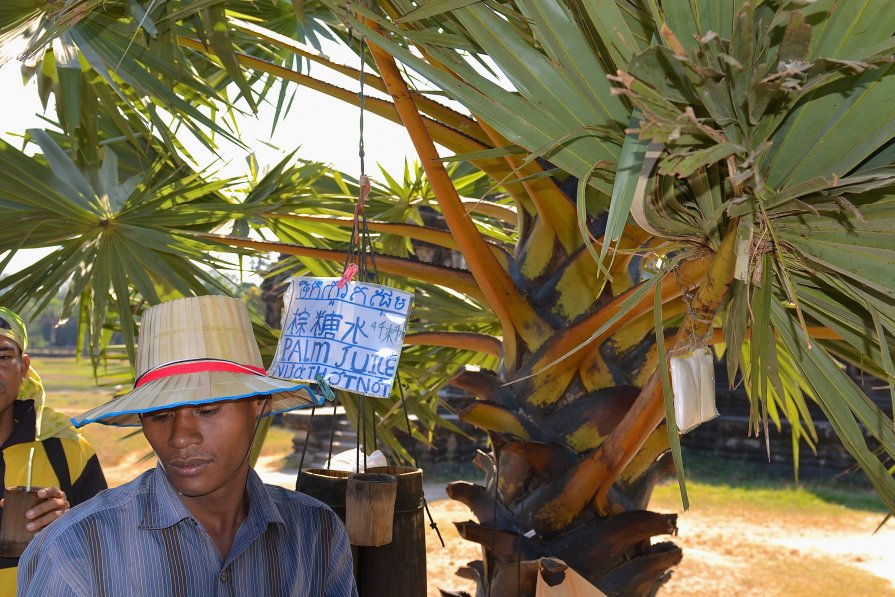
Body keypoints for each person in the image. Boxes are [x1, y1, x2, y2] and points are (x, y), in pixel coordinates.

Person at [18, 295, 357, 596]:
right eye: (159, 415)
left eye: (208, 410)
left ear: (260, 403)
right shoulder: (75, 548)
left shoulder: (316, 534)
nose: (180, 437)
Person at [0, 307, 107, 593]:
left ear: (23, 367)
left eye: (3, 357)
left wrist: (68, 529)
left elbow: (110, 557)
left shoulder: (69, 453)